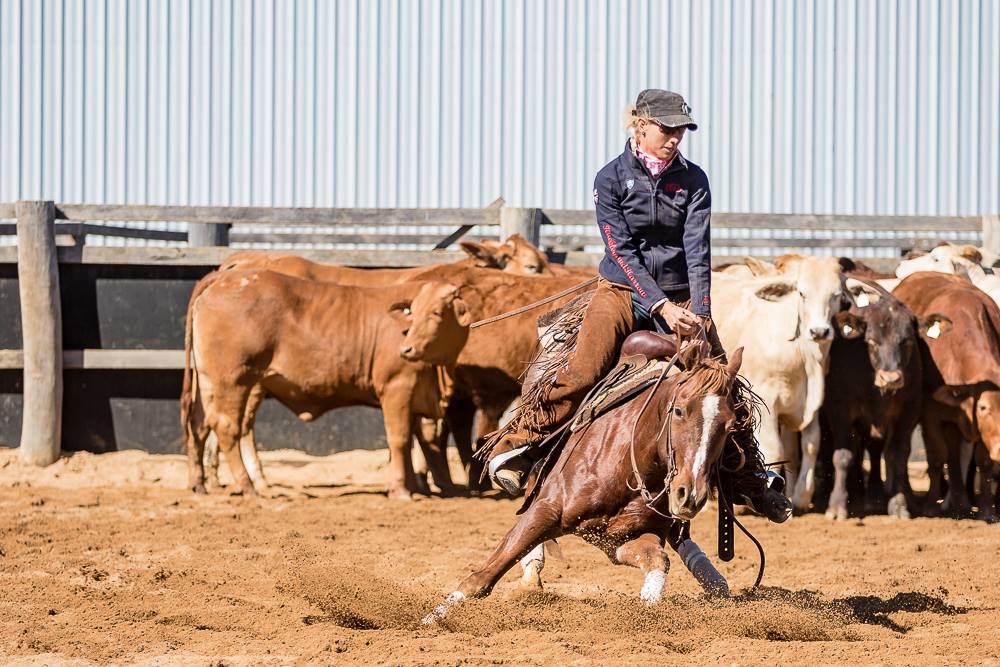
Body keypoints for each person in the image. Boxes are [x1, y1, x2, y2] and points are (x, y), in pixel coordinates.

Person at [484, 89, 791, 524]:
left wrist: (699, 311)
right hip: (622, 291)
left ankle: (752, 480)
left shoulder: (694, 179)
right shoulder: (610, 178)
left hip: (682, 294)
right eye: (667, 128)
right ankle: (517, 446)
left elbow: (697, 251)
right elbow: (621, 250)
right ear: (640, 125)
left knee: (721, 381)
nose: (675, 138)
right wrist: (662, 306)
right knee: (583, 371)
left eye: (681, 130)